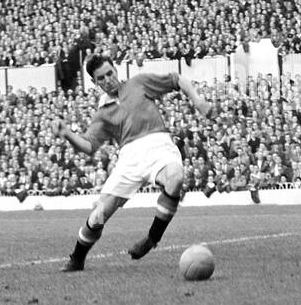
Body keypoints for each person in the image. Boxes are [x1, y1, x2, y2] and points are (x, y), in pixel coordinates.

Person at [52, 56, 216, 272]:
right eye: (102, 78)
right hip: (129, 157)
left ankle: (151, 238)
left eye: (110, 73)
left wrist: (199, 101)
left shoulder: (138, 83)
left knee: (175, 179)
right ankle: (77, 258)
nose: (108, 79)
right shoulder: (103, 113)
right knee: (99, 214)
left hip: (158, 144)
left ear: (116, 70)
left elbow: (177, 79)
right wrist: (66, 133)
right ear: (95, 83)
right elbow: (90, 146)